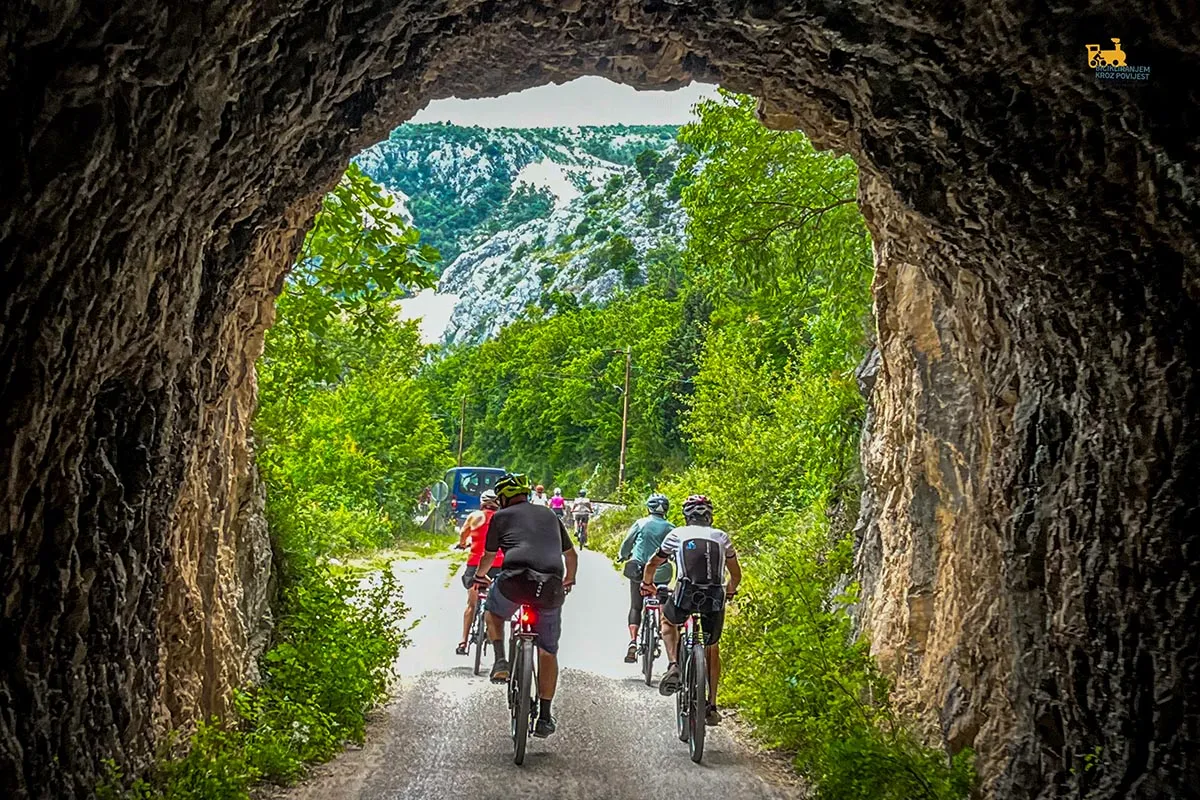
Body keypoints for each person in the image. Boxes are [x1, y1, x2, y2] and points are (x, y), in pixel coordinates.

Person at [474, 473, 578, 739]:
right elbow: (571, 555)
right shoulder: (550, 516)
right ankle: (544, 716)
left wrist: (479, 576)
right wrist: (569, 579)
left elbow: (488, 556)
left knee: (493, 614)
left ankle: (500, 661)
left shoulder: (500, 517)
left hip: (515, 581)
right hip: (550, 586)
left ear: (504, 498)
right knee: (547, 650)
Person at [640, 494, 741, 726]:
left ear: (686, 516)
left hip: (685, 594)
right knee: (712, 646)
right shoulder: (721, 537)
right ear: (710, 515)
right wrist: (731, 590)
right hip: (714, 596)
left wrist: (647, 584)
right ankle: (712, 705)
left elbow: (653, 563)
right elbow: (735, 575)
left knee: (667, 620)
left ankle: (674, 664)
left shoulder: (676, 535)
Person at [617, 493, 674, 663]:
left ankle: (633, 641)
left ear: (648, 507)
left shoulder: (641, 523)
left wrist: (622, 555)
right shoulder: (671, 527)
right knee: (662, 599)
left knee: (636, 606)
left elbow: (627, 543)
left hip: (639, 569)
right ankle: (663, 629)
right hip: (662, 571)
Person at [454, 489, 503, 655]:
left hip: (476, 564)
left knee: (471, 604)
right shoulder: (503, 518)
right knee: (496, 602)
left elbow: (463, 534)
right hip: (498, 564)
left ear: (482, 503)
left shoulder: (474, 516)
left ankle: (463, 642)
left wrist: (462, 544)